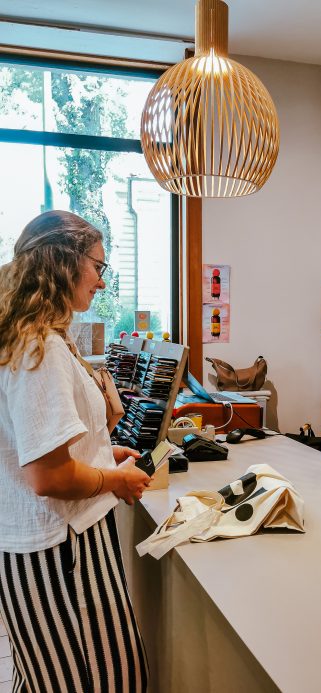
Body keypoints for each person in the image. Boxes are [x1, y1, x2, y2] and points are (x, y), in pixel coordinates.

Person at [0, 210, 151, 692]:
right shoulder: (37, 347)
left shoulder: (34, 337)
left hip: (57, 543)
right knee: (100, 680)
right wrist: (113, 480)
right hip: (61, 550)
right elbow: (49, 477)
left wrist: (104, 454)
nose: (101, 283)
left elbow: (49, 446)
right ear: (64, 263)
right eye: (98, 267)